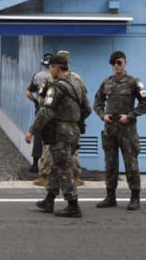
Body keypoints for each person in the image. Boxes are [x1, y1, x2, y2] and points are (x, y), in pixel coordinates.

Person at [25, 54, 91, 218]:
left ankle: (73, 204)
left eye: (51, 67)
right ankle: (49, 199)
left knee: (63, 167)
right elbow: (87, 109)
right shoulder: (77, 83)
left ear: (57, 68)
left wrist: (32, 130)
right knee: (57, 164)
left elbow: (46, 111)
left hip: (61, 131)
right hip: (74, 130)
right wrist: (74, 121)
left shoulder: (56, 87)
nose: (49, 70)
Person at [93, 50, 146, 211]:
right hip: (110, 129)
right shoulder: (106, 83)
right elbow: (97, 103)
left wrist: (130, 116)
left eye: (119, 62)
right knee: (110, 164)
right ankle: (110, 197)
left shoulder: (134, 82)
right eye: (114, 63)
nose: (116, 66)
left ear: (125, 63)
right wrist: (103, 115)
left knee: (131, 164)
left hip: (127, 129)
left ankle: (135, 198)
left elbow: (145, 104)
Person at [34, 50, 86, 187]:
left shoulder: (70, 79)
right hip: (68, 123)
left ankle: (66, 183)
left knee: (58, 153)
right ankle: (52, 180)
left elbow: (42, 101)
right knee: (61, 153)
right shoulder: (74, 79)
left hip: (59, 123)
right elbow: (85, 104)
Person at [25, 53, 52, 173]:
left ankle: (36, 164)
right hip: (54, 110)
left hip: (41, 108)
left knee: (38, 134)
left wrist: (35, 101)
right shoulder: (58, 76)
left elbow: (28, 92)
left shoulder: (38, 76)